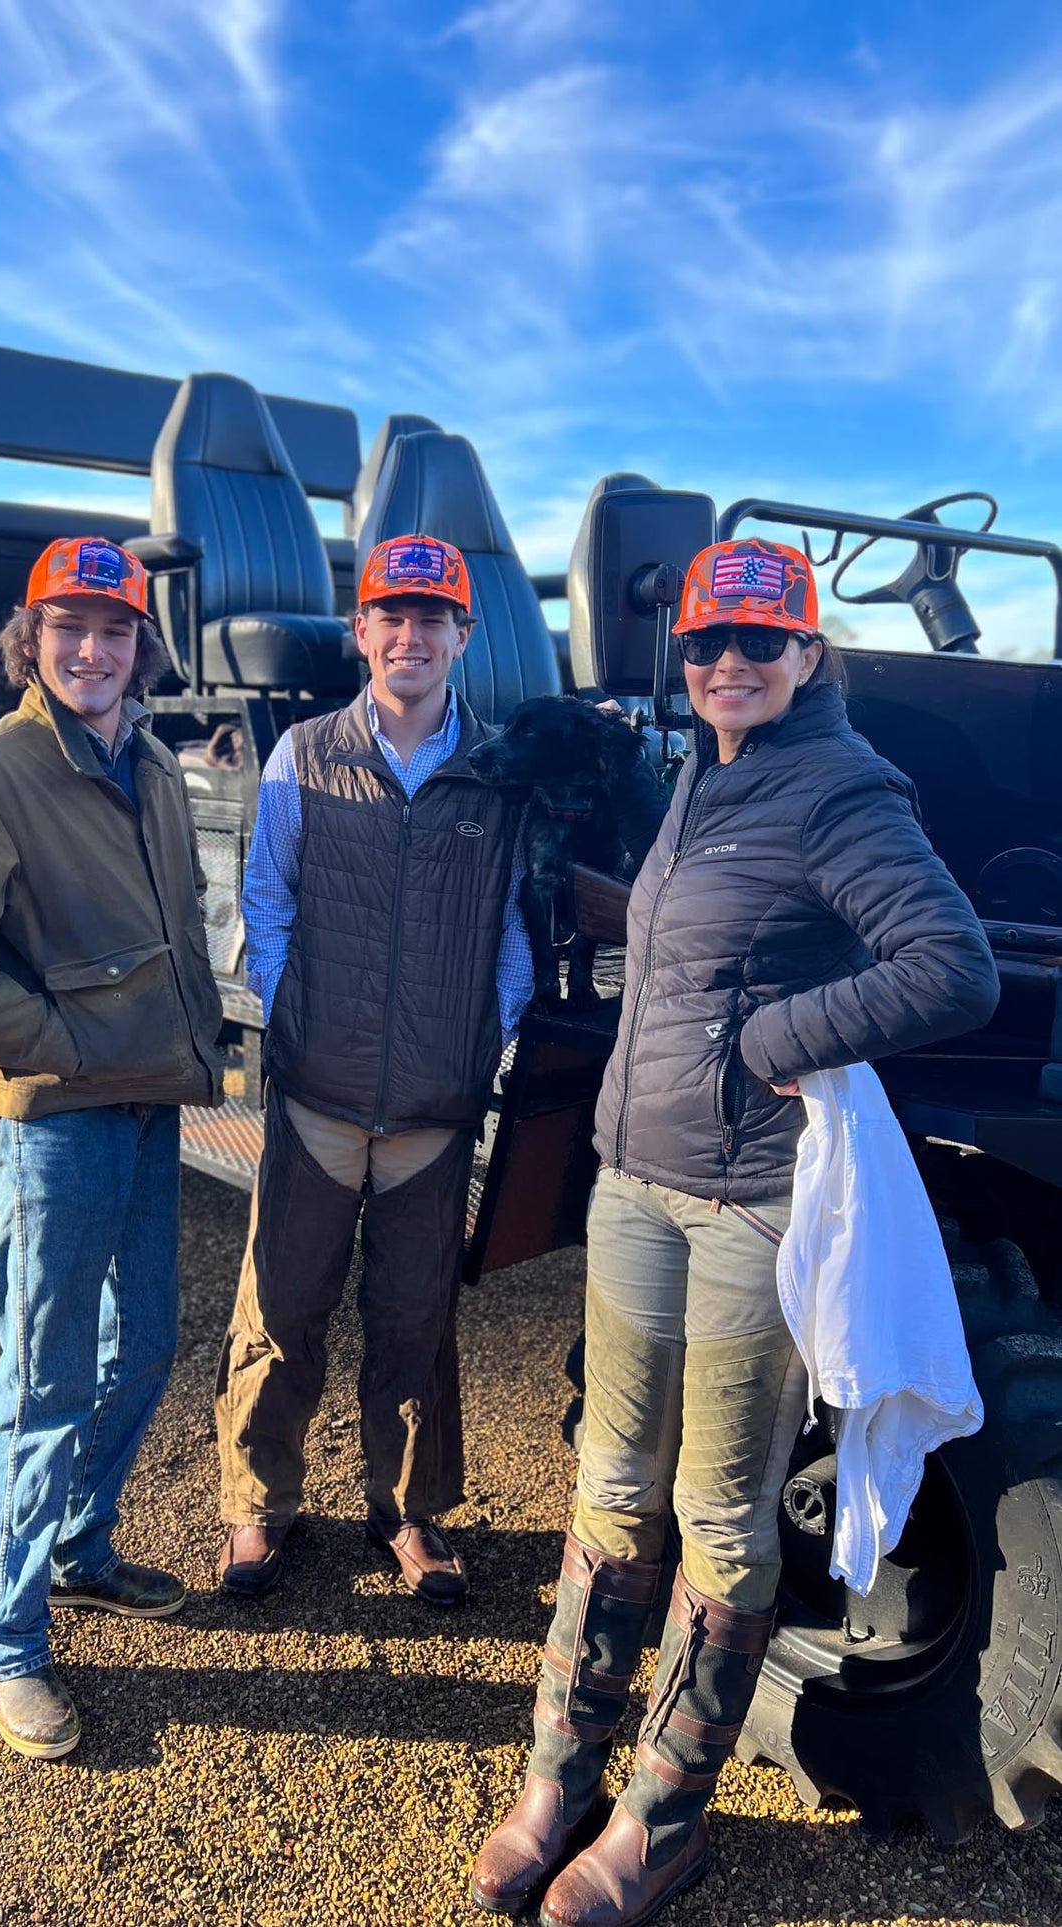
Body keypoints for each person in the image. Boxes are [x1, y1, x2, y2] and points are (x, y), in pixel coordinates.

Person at [470, 538, 999, 1925]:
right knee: (608, 1484)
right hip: (635, 1180)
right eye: (707, 644)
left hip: (744, 1203)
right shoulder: (705, 774)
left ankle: (660, 1815)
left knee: (717, 1506)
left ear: (808, 655)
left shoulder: (838, 787)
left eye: (759, 644)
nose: (728, 665)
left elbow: (951, 966)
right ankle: (558, 1772)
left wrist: (775, 1033)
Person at [0, 535, 225, 1761]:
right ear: (31, 639)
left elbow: (177, 926)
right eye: (68, 627)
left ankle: (78, 1546)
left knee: (152, 1337)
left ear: (142, 646)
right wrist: (55, 1041)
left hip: (151, 1101)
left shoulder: (153, 764)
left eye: (115, 628)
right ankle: (5, 1636)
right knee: (42, 1374)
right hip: (60, 1121)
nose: (92, 648)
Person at [213, 533, 532, 1606]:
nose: (409, 635)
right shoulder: (301, 753)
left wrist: (476, 1035)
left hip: (433, 1110)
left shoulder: (498, 772)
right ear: (360, 632)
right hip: (318, 1096)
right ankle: (257, 1507)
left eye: (430, 617)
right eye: (389, 616)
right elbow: (266, 898)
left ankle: (410, 1513)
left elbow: (511, 937)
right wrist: (297, 1016)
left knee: (413, 1316)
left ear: (461, 636)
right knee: (281, 1303)